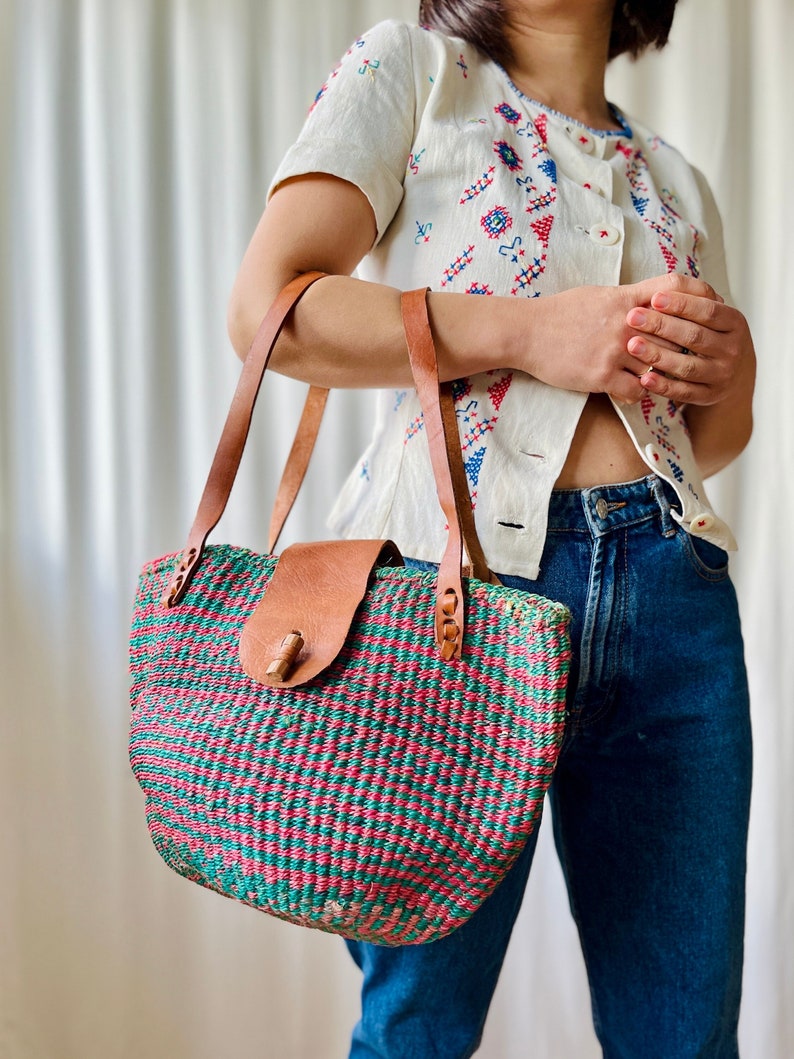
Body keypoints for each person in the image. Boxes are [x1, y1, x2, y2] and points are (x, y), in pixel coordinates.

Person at [227, 1, 755, 1055]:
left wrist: (727, 369)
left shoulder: (675, 176)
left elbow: (708, 436)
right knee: (417, 1029)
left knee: (684, 1039)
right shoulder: (412, 72)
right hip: (446, 598)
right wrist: (530, 332)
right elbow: (269, 313)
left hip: (673, 598)